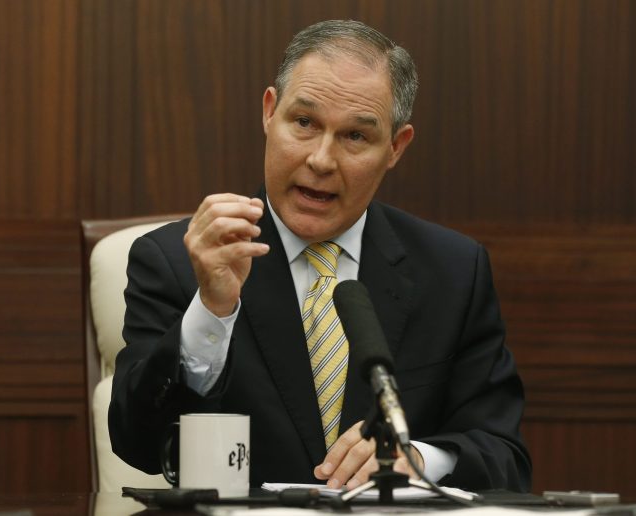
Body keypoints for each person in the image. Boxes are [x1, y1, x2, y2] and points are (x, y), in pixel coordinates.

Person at [109, 19, 531, 492]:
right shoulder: (174, 260)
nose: (321, 160)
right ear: (270, 113)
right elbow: (137, 445)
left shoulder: (454, 271)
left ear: (395, 147)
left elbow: (505, 458)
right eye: (304, 123)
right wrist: (211, 309)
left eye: (355, 136)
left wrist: (416, 458)